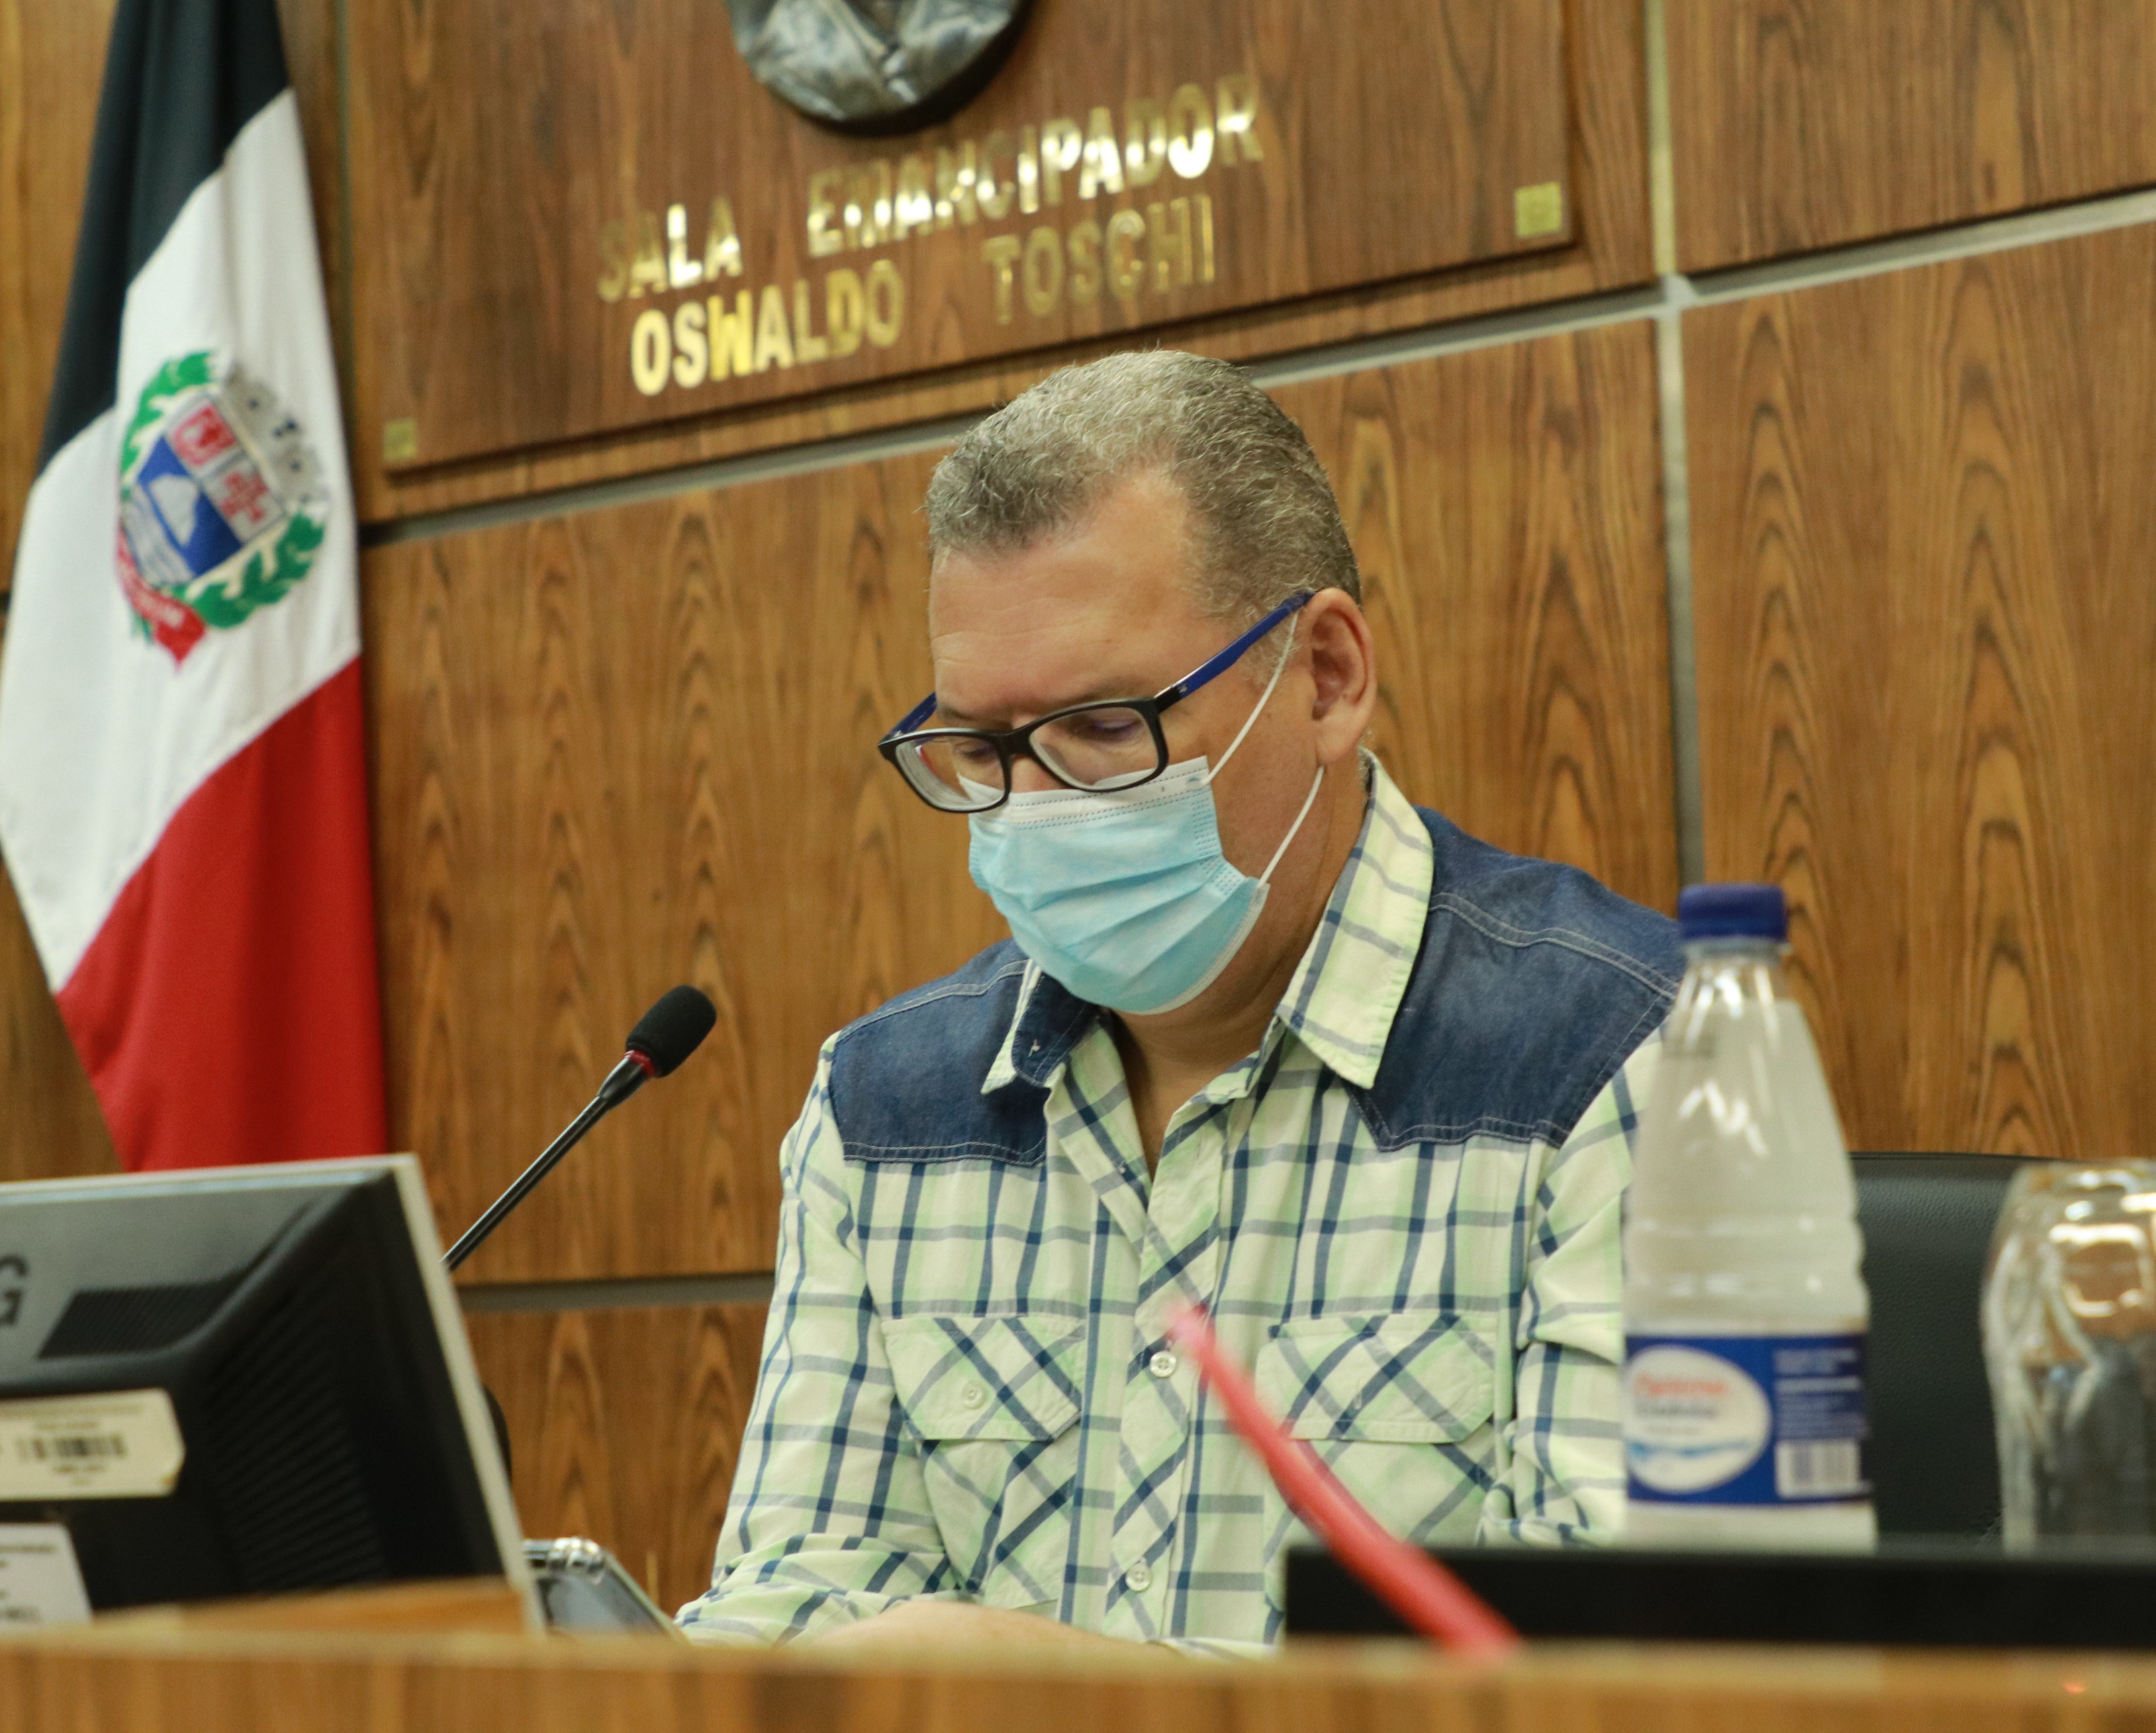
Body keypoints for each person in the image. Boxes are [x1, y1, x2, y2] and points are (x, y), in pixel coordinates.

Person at [677, 349, 1679, 1654]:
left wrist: (1069, 1700)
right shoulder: (880, 1108)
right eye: (980, 748)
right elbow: (786, 1611)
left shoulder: (1620, 1058)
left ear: (1325, 675)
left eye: (1105, 728)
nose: (1032, 807)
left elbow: (1627, 1676)